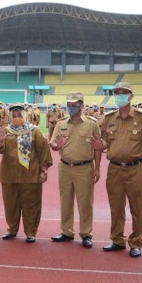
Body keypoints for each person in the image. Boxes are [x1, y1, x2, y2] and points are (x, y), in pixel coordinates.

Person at [90, 82, 142, 258]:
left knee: (138, 207)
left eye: (124, 93)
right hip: (115, 169)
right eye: (117, 93)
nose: (120, 95)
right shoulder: (109, 118)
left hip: (136, 168)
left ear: (131, 96)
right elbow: (105, 142)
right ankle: (117, 240)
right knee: (116, 206)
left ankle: (136, 242)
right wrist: (99, 145)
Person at [0, 104, 52, 242]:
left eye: (19, 115)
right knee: (10, 204)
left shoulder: (34, 131)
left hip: (30, 174)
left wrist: (44, 170)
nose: (17, 118)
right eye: (14, 116)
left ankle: (31, 232)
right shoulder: (5, 130)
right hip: (9, 174)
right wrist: (0, 140)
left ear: (25, 116)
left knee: (31, 204)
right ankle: (12, 229)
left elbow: (43, 151)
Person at [49, 92, 101, 248]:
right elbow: (53, 144)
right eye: (69, 105)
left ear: (82, 106)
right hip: (64, 166)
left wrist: (97, 169)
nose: (71, 108)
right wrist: (57, 146)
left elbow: (98, 147)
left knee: (85, 202)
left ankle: (86, 233)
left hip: (84, 167)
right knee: (65, 200)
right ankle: (67, 231)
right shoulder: (61, 123)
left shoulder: (92, 124)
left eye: (74, 105)